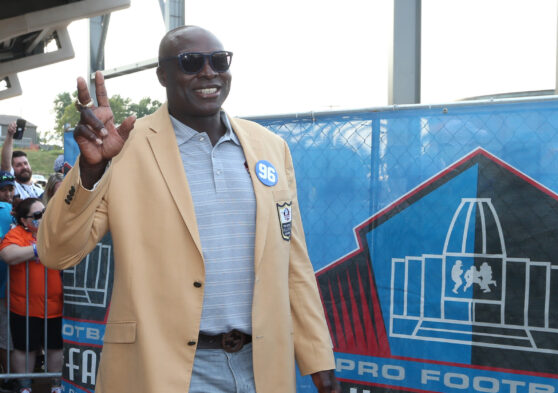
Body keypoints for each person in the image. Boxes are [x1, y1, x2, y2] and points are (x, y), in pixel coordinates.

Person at [38, 26, 338, 393]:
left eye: (218, 61)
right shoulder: (125, 149)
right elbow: (56, 253)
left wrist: (318, 358)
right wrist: (91, 170)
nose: (208, 72)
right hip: (163, 369)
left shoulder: (270, 147)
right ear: (163, 75)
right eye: (191, 62)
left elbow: (294, 263)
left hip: (261, 368)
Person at [0, 198, 62, 393]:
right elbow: (8, 254)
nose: (43, 217)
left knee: (55, 347)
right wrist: (37, 250)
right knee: (24, 348)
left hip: (55, 306)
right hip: (24, 307)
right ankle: (25, 387)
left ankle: (56, 386)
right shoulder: (16, 234)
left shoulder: (55, 231)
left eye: (44, 212)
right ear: (24, 221)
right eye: (37, 216)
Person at [1, 125, 42, 200]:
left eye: (26, 163)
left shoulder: (41, 191)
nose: (24, 167)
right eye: (18, 165)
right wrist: (10, 135)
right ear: (12, 169)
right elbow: (6, 163)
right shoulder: (12, 188)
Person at [0, 172, 15, 378]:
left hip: (7, 287)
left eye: (11, 189)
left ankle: (9, 376)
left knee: (6, 335)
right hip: (6, 287)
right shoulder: (6, 210)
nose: (8, 193)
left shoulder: (15, 210)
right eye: (3, 190)